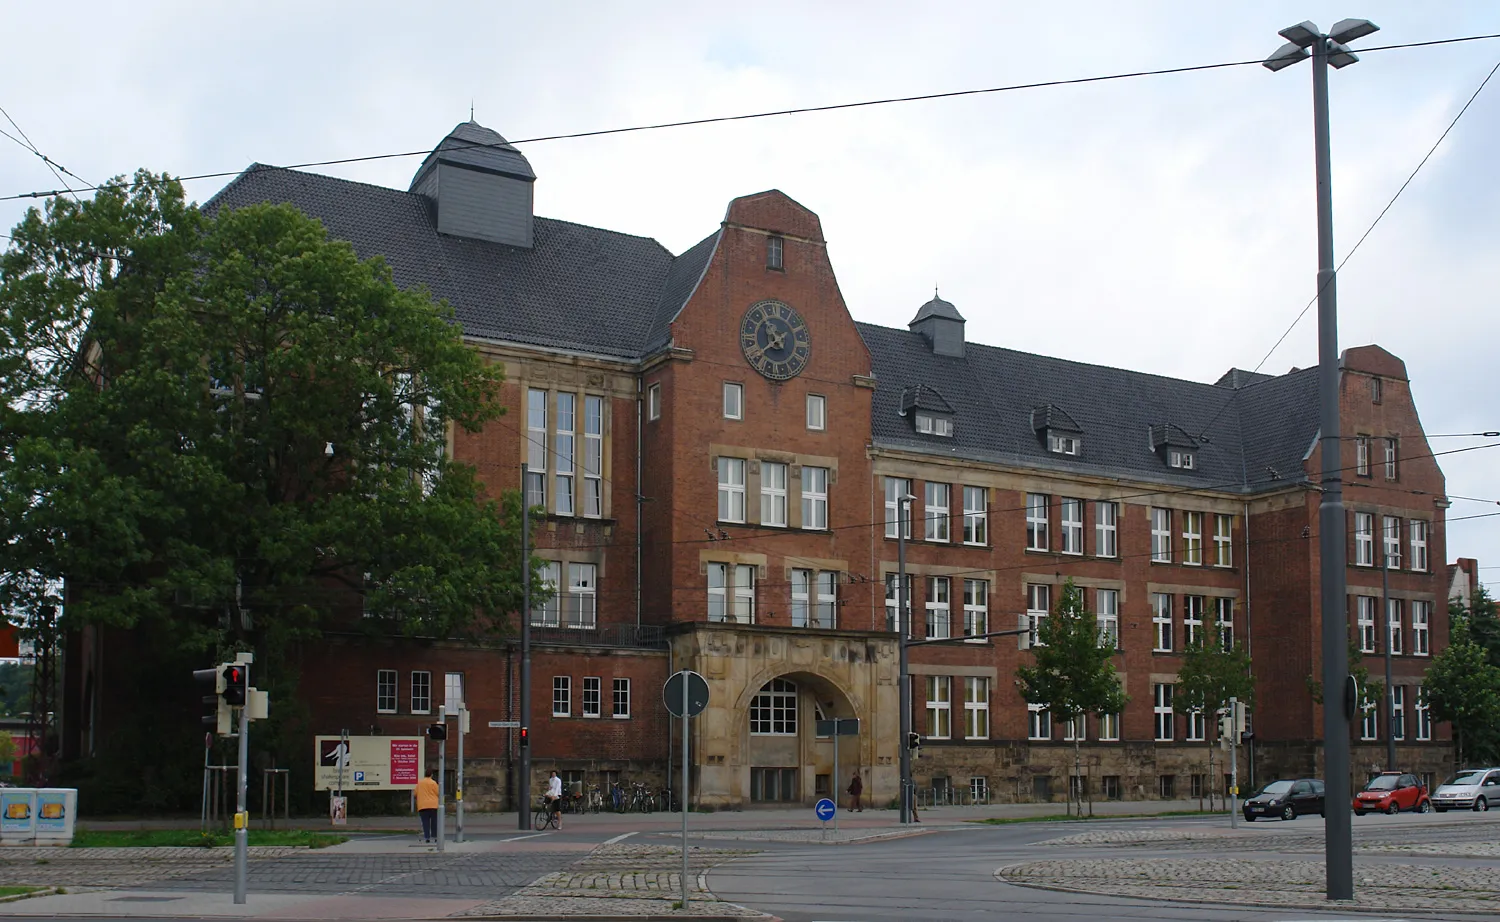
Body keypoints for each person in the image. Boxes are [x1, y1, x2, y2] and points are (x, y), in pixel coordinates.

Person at [416, 770, 440, 843]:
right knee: (434, 822)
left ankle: (427, 837)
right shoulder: (433, 783)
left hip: (422, 805)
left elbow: (415, 793)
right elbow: (438, 792)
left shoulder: (419, 783)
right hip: (433, 805)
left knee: (425, 822)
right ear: (431, 775)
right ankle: (435, 836)